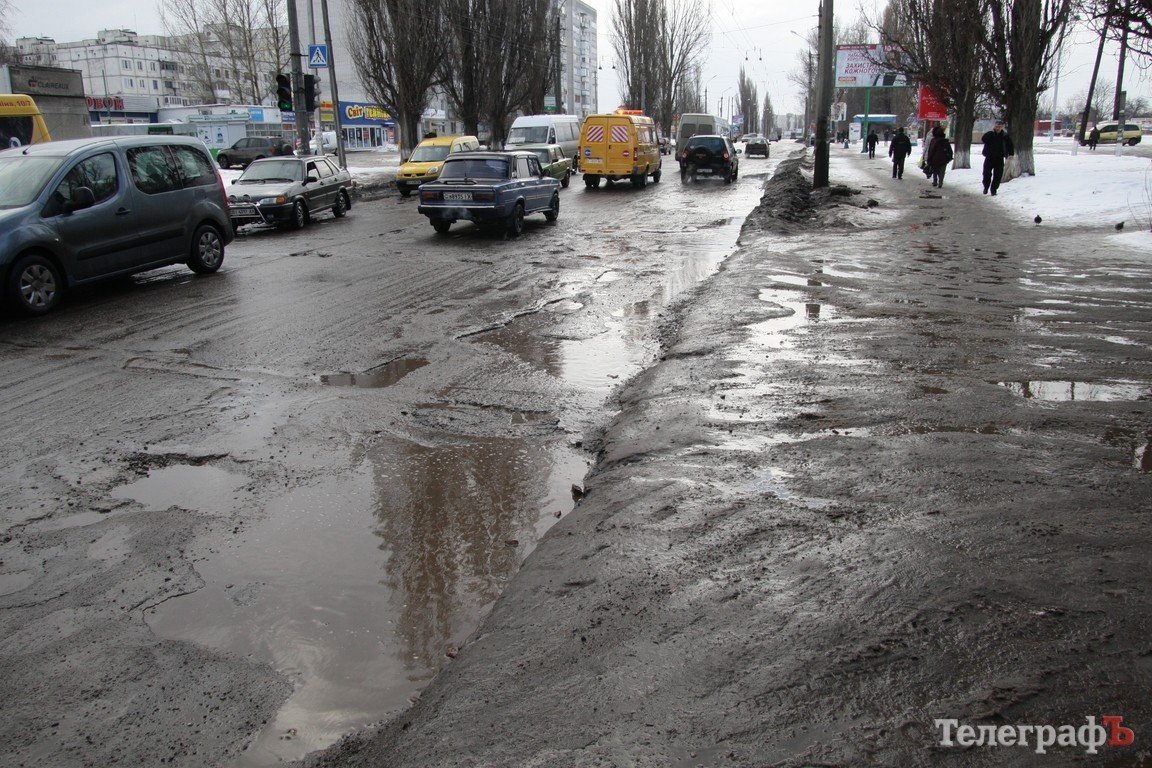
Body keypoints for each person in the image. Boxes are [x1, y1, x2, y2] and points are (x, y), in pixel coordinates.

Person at [980, 120, 1014, 195]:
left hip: (999, 158)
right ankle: (986, 186)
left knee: (998, 175)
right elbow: (983, 139)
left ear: (1002, 127)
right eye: (996, 126)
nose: (998, 128)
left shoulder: (1005, 136)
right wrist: (990, 132)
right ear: (994, 127)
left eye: (999, 127)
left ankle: (993, 190)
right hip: (989, 157)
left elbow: (1010, 145)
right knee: (986, 174)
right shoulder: (990, 134)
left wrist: (1011, 154)